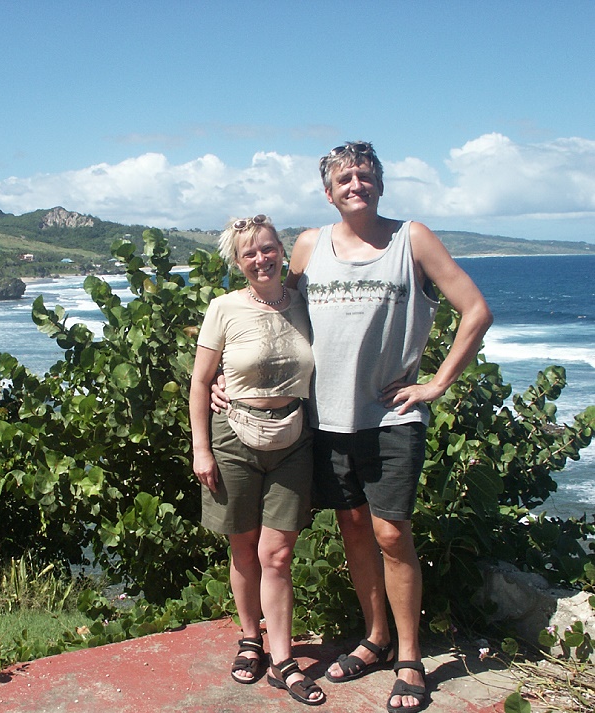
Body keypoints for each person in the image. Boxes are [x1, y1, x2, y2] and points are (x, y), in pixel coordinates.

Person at [212, 141, 493, 713]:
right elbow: (273, 309)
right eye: (344, 178)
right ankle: (376, 638)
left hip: (390, 415)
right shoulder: (311, 246)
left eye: (364, 176)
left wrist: (435, 383)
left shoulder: (411, 239)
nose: (355, 185)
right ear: (328, 191)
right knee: (355, 529)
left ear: (380, 184)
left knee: (392, 533)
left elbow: (476, 309)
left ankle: (410, 658)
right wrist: (225, 379)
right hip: (325, 419)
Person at [190, 214, 325, 706]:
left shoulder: (305, 305)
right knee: (243, 548)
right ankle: (251, 639)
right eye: (249, 253)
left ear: (281, 250)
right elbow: (201, 382)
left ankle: (283, 659)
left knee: (279, 555)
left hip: (293, 438)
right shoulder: (223, 307)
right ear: (237, 261)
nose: (261, 258)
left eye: (268, 249)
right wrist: (200, 448)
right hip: (234, 438)